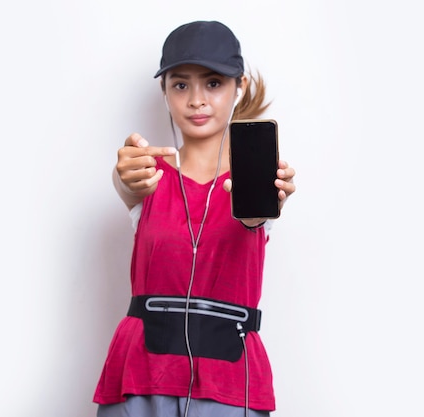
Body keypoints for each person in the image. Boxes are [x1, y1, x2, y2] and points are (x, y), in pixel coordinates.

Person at [93, 20, 296, 417]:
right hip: (142, 375)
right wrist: (126, 176)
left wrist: (266, 204)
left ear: (238, 87)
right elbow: (128, 184)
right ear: (164, 92)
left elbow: (258, 218)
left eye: (213, 83)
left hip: (229, 381)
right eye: (180, 84)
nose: (196, 100)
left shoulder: (257, 180)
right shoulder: (146, 173)